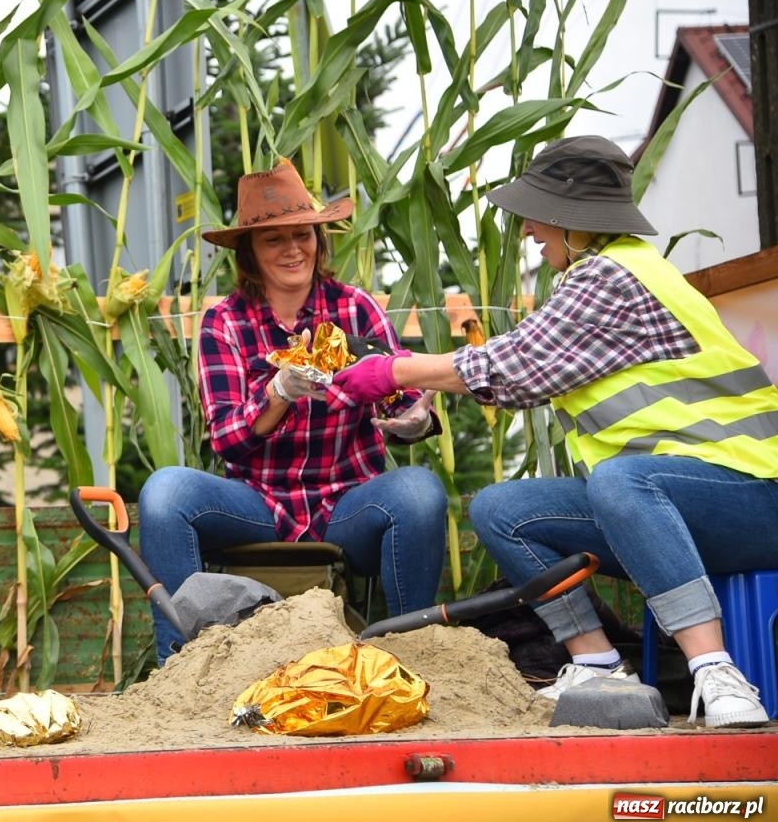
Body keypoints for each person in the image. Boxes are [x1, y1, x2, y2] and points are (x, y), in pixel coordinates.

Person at [333, 135, 778, 727]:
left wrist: (393, 369)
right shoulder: (596, 276)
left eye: (534, 216)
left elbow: (512, 367)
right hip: (666, 504)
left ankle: (718, 675)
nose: (525, 233)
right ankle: (598, 667)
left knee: (621, 480)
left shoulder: (615, 276)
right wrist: (418, 399)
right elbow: (524, 377)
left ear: (572, 218)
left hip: (753, 498)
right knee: (502, 508)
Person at [139, 158, 447, 664]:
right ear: (249, 252)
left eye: (303, 235)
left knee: (419, 491)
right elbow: (225, 440)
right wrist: (278, 392)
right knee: (164, 492)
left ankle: (413, 653)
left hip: (349, 503)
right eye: (273, 240)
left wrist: (413, 423)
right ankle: (181, 664)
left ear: (319, 241)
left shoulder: (355, 309)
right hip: (259, 503)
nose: (292, 250)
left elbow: (403, 400)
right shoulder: (225, 323)